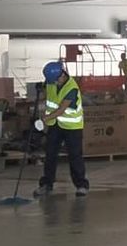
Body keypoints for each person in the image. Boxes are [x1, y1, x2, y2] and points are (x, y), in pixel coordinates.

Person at [37, 59, 89, 197]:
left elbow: (61, 110)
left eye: (55, 81)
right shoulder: (51, 80)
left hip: (72, 127)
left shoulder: (71, 88)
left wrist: (45, 119)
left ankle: (81, 185)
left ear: (62, 75)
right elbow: (46, 94)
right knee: (50, 154)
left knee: (75, 155)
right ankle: (47, 184)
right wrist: (39, 93)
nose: (53, 83)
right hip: (55, 125)